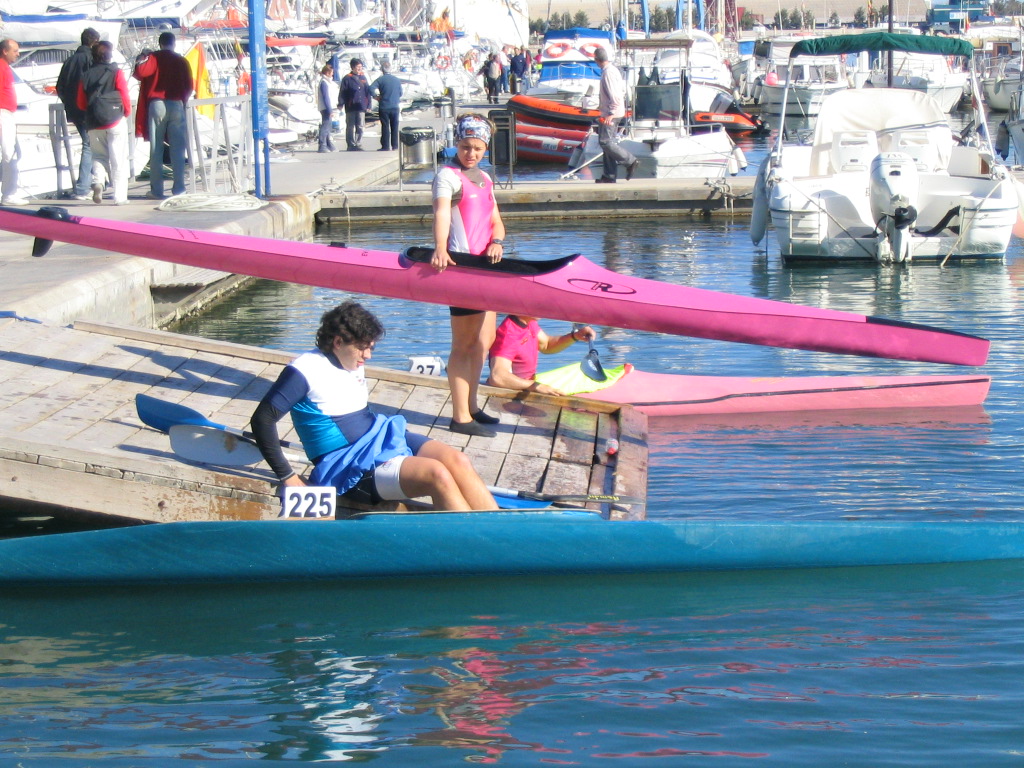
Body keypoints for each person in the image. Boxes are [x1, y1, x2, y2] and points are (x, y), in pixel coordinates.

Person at [251, 301, 497, 512]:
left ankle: (503, 534)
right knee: (437, 474)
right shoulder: (304, 370)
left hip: (379, 436)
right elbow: (262, 420)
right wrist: (288, 476)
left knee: (458, 460)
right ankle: (476, 546)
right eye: (362, 347)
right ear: (338, 341)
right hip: (347, 466)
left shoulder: (350, 358)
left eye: (371, 347)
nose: (367, 355)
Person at [431, 113, 506, 438]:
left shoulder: (485, 179)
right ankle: (460, 417)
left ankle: (473, 406)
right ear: (456, 145)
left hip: (486, 268)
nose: (470, 154)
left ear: (485, 148)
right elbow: (441, 213)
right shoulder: (447, 176)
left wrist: (498, 242)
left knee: (482, 343)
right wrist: (439, 248)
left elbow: (495, 220)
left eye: (477, 148)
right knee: (463, 344)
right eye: (465, 147)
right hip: (461, 267)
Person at [133, 31, 193, 199]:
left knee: (156, 148)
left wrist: (142, 57)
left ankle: (156, 190)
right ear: (173, 43)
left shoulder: (153, 58)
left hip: (157, 104)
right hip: (176, 104)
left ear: (160, 44)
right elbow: (189, 86)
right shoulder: (182, 61)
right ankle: (179, 189)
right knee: (178, 149)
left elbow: (140, 73)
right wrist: (182, 99)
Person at [76, 40, 131, 205]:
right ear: (109, 55)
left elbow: (80, 102)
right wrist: (126, 112)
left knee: (98, 155)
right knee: (118, 159)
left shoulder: (85, 75)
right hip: (115, 119)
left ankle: (98, 181)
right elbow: (123, 94)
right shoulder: (116, 72)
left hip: (94, 121)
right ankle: (120, 197)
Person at [487, 316, 596, 396]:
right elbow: (498, 377)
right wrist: (534, 386)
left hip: (526, 387)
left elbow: (547, 345)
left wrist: (575, 336)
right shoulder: (509, 334)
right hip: (508, 394)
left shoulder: (529, 322)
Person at [55, 27, 100, 200]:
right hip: (87, 109)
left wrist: (69, 103)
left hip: (73, 110)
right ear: (94, 41)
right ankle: (82, 188)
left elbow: (60, 87)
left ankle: (88, 183)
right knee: (90, 145)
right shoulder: (90, 59)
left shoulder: (70, 61)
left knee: (88, 144)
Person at [593, 47, 638, 184]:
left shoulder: (608, 73)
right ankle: (609, 175)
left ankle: (630, 161)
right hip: (611, 111)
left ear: (596, 60)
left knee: (605, 142)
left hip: (611, 113)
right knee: (608, 143)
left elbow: (615, 95)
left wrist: (611, 113)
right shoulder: (612, 70)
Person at [0, 38, 26, 206]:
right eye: (15, 50)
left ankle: (9, 192)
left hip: (7, 113)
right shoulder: (2, 68)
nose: (18, 54)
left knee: (11, 153)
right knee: (9, 153)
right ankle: (9, 193)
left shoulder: (5, 68)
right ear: (5, 51)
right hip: (3, 114)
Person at [369, 59, 402, 152]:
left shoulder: (380, 80)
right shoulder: (396, 80)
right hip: (395, 106)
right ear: (390, 69)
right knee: (395, 127)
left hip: (384, 106)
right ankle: (395, 146)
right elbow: (400, 93)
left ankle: (385, 146)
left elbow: (371, 88)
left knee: (385, 126)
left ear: (382, 70)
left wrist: (376, 96)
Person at [338, 57, 370, 151]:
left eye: (361, 66)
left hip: (361, 106)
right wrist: (340, 103)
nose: (359, 68)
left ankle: (358, 143)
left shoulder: (363, 77)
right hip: (351, 106)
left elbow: (367, 92)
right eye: (357, 67)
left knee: (360, 125)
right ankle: (351, 144)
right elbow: (342, 92)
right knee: (350, 126)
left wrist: (369, 105)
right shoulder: (347, 78)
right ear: (352, 67)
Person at [315, 62, 337, 152]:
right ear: (327, 73)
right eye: (332, 73)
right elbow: (326, 97)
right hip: (326, 107)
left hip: (329, 107)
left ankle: (328, 143)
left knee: (328, 126)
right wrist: (329, 110)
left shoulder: (328, 82)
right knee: (325, 125)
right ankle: (322, 145)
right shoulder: (324, 83)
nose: (333, 74)